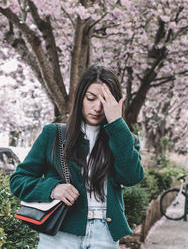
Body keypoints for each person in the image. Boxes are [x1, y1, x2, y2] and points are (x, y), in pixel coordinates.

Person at [10, 65, 144, 249]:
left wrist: (117, 124)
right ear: (80, 97)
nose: (97, 107)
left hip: (104, 234)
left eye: (104, 101)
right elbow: (18, 180)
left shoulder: (124, 139)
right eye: (90, 98)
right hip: (60, 233)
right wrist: (52, 188)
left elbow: (131, 177)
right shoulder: (53, 134)